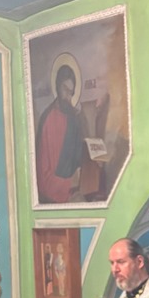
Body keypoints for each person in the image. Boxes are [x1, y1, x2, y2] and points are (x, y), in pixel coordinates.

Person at [35, 63, 85, 204]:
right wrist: (69, 182)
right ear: (57, 86)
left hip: (74, 190)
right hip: (54, 195)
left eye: (71, 92)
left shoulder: (74, 119)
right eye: (65, 89)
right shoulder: (48, 119)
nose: (68, 96)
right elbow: (42, 179)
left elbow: (78, 159)